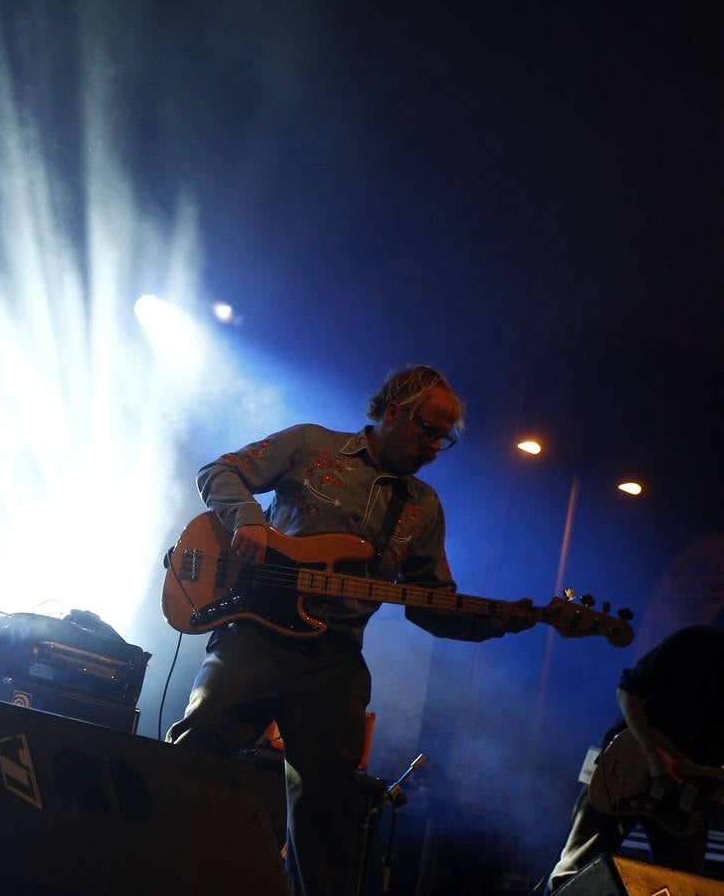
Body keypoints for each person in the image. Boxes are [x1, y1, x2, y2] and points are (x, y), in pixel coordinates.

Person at [167, 365, 534, 896]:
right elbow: (218, 471)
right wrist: (247, 519)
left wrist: (498, 622)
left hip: (333, 658)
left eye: (444, 438)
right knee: (196, 752)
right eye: (427, 428)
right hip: (257, 633)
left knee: (330, 807)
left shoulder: (423, 507)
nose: (434, 445)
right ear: (392, 412)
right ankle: (148, 863)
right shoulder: (311, 445)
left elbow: (431, 605)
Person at [547, 624, 724, 892]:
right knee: (575, 871)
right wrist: (653, 755)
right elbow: (628, 692)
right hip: (630, 765)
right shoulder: (698, 641)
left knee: (684, 885)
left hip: (688, 791)